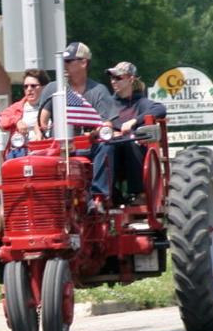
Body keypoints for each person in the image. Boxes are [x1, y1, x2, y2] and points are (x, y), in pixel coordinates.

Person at [36, 42, 118, 213]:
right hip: (57, 146)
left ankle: (98, 197)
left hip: (87, 146)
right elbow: (41, 118)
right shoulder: (53, 88)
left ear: (84, 62)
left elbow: (106, 123)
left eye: (69, 61)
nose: (64, 65)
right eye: (63, 61)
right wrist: (40, 131)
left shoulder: (98, 90)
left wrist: (94, 133)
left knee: (106, 145)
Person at [107, 61, 167, 202]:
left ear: (131, 79)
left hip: (135, 153)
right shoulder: (107, 102)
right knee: (102, 147)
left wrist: (134, 121)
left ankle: (139, 193)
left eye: (118, 78)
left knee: (129, 142)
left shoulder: (141, 102)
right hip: (113, 151)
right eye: (112, 78)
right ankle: (108, 194)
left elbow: (160, 109)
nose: (113, 81)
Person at [0, 68, 48, 158]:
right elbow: (1, 119)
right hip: (23, 154)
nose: (29, 89)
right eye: (26, 86)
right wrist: (17, 121)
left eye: (33, 86)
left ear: (44, 87)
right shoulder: (17, 107)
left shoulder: (53, 106)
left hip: (47, 152)